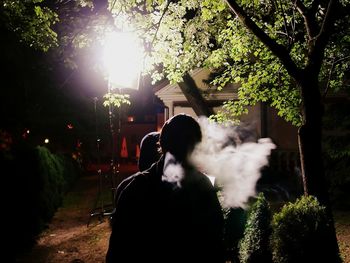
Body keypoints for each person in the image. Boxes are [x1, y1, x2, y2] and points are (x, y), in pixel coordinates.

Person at [106, 113, 225, 263]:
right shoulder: (203, 187)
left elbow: (117, 252)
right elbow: (215, 245)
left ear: (162, 144)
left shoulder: (134, 187)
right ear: (196, 147)